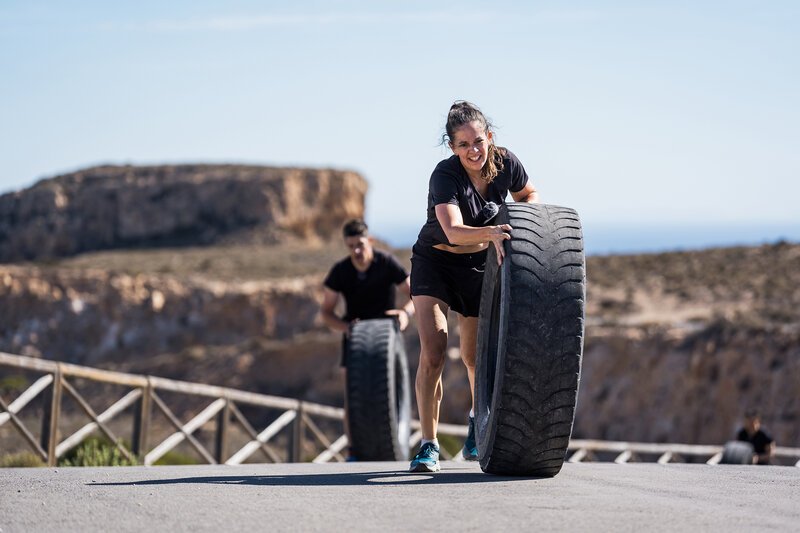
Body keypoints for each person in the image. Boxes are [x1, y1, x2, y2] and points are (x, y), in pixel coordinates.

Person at [408, 101, 539, 472]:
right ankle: (429, 445)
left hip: (479, 265)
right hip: (435, 261)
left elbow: (529, 196)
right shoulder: (444, 176)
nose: (474, 150)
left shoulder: (506, 162)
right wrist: (495, 231)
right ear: (452, 147)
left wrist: (525, 229)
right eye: (463, 145)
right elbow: (452, 230)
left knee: (473, 356)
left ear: (490, 137)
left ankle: (474, 425)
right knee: (434, 349)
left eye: (478, 141)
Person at [320, 218, 415, 460]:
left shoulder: (386, 263)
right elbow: (326, 312)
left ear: (369, 241)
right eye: (351, 246)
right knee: (353, 395)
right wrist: (344, 327)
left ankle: (398, 444)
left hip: (387, 338)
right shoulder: (341, 271)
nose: (357, 251)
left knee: (394, 393)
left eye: (360, 244)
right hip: (356, 339)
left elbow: (415, 295)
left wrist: (405, 313)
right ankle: (354, 450)